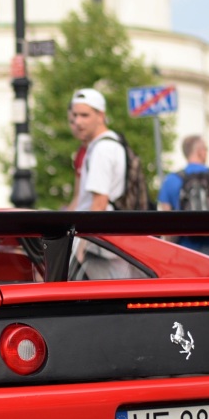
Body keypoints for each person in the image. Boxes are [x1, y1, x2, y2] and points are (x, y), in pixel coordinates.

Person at [68, 87, 131, 279]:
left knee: (106, 300)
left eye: (85, 115)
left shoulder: (102, 149)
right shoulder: (104, 145)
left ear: (100, 115)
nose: (78, 122)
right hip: (103, 241)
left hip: (98, 244)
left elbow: (99, 202)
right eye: (75, 115)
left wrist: (82, 245)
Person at [157, 135, 209, 260]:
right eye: (206, 149)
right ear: (200, 151)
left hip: (185, 251)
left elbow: (167, 225)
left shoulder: (170, 180)